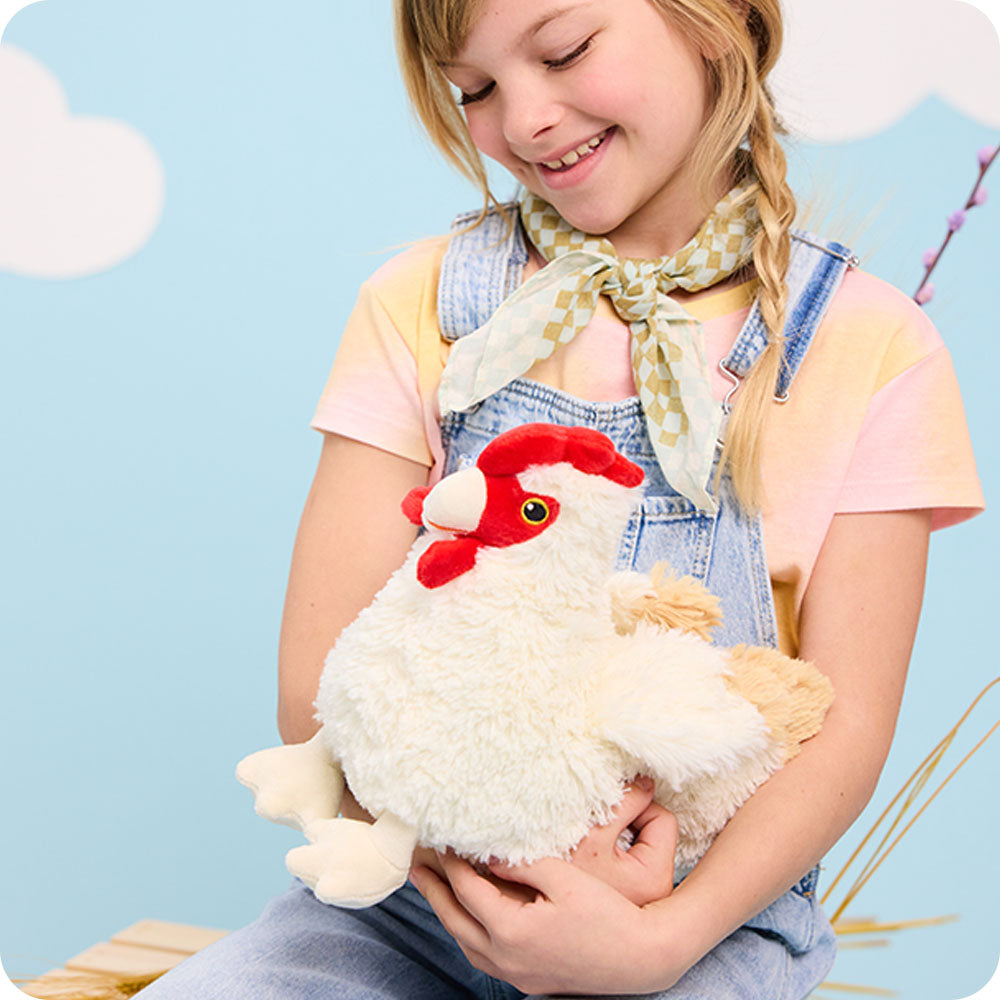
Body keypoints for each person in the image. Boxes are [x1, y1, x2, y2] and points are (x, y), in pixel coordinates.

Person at [138, 0, 983, 996]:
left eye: (565, 50)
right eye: (475, 90)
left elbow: (844, 730)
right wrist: (491, 863)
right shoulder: (422, 306)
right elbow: (316, 688)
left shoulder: (869, 347)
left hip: (701, 920)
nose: (525, 119)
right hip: (415, 899)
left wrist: (658, 941)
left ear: (712, 22)